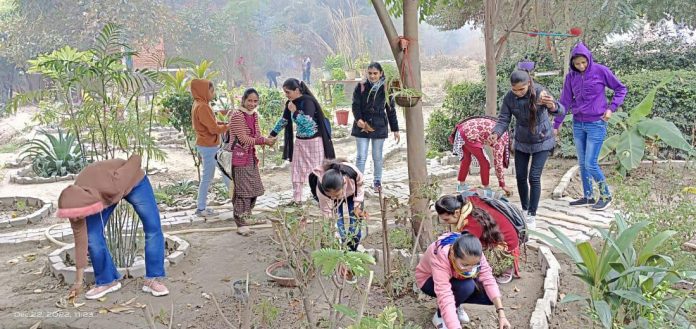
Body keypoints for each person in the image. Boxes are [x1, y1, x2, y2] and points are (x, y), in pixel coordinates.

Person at [56, 155, 168, 300]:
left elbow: (135, 158)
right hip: (102, 191)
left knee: (153, 226)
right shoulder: (72, 202)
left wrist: (124, 176)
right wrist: (78, 282)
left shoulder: (112, 185)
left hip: (132, 182)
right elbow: (80, 242)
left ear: (91, 206)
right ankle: (107, 281)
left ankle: (153, 279)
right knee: (92, 236)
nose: (78, 219)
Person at [554, 42, 627, 211]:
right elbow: (565, 101)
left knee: (591, 163)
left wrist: (611, 108)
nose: (581, 66)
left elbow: (621, 89)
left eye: (583, 62)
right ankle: (588, 196)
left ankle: (606, 195)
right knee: (582, 162)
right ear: (572, 62)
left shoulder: (600, 71)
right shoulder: (570, 77)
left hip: (596, 123)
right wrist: (557, 123)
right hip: (578, 123)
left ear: (589, 59)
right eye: (577, 63)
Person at [491, 70, 564, 229]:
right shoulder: (509, 98)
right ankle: (524, 210)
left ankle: (532, 214)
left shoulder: (540, 92)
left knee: (534, 177)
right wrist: (496, 133)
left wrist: (551, 104)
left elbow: (560, 110)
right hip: (522, 140)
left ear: (528, 84)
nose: (517, 92)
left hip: (542, 139)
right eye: (514, 89)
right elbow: (504, 119)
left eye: (521, 89)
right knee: (520, 177)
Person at [416, 232, 511, 329]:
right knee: (466, 287)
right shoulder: (440, 256)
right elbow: (444, 295)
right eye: (465, 264)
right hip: (429, 280)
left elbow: (488, 278)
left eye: (474, 265)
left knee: (490, 296)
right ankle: (440, 316)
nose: (470, 269)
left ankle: (456, 303)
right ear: (452, 254)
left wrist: (501, 314)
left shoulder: (474, 252)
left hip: (456, 276)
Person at [270, 78, 335, 205]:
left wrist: (294, 112)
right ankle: (297, 200)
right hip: (300, 142)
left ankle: (321, 198)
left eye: (288, 92)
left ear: (297, 90)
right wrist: (272, 134)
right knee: (296, 171)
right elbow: (284, 120)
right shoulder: (290, 103)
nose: (286, 95)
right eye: (285, 92)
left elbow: (308, 123)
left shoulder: (308, 101)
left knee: (317, 172)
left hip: (314, 142)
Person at [435, 194, 521, 284]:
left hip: (507, 245)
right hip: (498, 235)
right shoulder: (467, 202)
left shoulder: (471, 223)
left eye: (446, 220)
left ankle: (506, 268)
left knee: (468, 253)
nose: (445, 223)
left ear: (456, 213)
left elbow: (465, 248)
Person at [227, 88, 276, 227]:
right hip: (239, 157)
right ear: (243, 100)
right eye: (250, 100)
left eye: (255, 101)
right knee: (243, 190)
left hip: (250, 157)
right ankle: (241, 221)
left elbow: (257, 135)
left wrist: (267, 140)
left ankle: (247, 216)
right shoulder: (237, 115)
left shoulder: (253, 115)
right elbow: (243, 139)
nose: (252, 104)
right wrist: (263, 141)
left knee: (254, 188)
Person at [351, 62, 400, 192]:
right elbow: (355, 105)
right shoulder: (361, 86)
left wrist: (395, 129)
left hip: (379, 125)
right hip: (362, 125)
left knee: (377, 156)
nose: (372, 76)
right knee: (361, 156)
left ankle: (377, 181)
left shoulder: (386, 88)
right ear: (367, 73)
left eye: (375, 73)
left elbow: (391, 109)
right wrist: (359, 119)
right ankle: (358, 182)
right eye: (370, 73)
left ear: (381, 73)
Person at [309, 159, 367, 251]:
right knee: (339, 229)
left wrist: (357, 205)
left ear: (343, 183)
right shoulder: (322, 192)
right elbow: (328, 216)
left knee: (355, 229)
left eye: (336, 195)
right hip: (331, 199)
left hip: (353, 193)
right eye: (331, 195)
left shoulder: (352, 173)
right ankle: (342, 252)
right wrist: (335, 236)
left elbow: (360, 185)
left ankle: (352, 252)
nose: (335, 197)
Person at [191, 79, 229, 218]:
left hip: (207, 144)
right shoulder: (203, 107)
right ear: (204, 91)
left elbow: (210, 123)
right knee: (218, 174)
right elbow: (213, 129)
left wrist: (223, 123)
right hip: (209, 146)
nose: (213, 93)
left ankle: (201, 207)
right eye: (211, 91)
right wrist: (227, 126)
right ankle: (201, 208)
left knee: (221, 174)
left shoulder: (199, 104)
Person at [449, 116, 510, 196]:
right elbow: (498, 163)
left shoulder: (504, 132)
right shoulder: (502, 139)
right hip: (470, 134)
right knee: (485, 162)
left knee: (466, 160)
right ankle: (486, 189)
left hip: (462, 130)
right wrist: (502, 184)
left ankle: (461, 186)